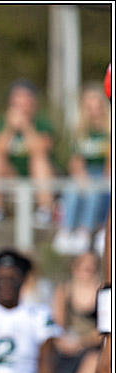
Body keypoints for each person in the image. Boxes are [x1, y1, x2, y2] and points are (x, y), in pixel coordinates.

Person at [0, 80, 56, 227]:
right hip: (12, 177)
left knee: (39, 161)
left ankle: (45, 209)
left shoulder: (43, 123)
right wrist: (9, 129)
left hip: (37, 176)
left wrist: (26, 128)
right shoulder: (2, 124)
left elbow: (41, 149)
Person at [54, 85, 111, 255]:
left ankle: (85, 231)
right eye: (90, 107)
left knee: (95, 189)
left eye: (97, 106)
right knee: (72, 188)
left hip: (105, 175)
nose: (94, 112)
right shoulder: (79, 132)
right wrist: (82, 177)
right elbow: (75, 161)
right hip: (87, 175)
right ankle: (68, 229)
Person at [51, 251, 107, 373]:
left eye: (91, 266)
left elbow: (104, 328)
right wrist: (63, 342)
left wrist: (82, 342)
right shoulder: (64, 290)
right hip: (68, 347)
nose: (87, 270)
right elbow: (57, 323)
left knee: (93, 360)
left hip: (94, 347)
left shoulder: (104, 291)